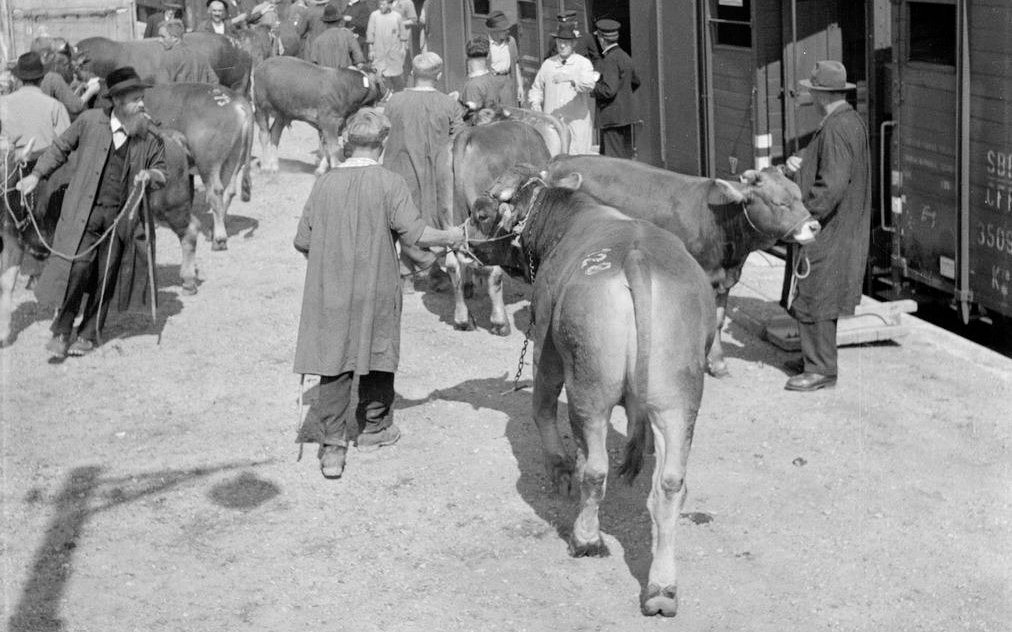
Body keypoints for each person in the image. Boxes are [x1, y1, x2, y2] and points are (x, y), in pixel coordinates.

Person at [293, 108, 465, 479]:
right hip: (377, 287)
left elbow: (303, 240)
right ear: (382, 144)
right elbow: (416, 234)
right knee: (377, 350)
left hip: (332, 288)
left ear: (347, 143)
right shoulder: (390, 183)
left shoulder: (323, 184)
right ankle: (374, 429)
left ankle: (333, 448)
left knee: (334, 362)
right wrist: (451, 236)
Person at [16, 67, 168, 358]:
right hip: (83, 213)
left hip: (121, 220)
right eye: (136, 99)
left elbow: (162, 171)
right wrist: (36, 175)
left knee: (106, 275)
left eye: (142, 98)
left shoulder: (148, 134)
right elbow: (60, 148)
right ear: (118, 101)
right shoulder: (89, 122)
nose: (142, 104)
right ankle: (62, 331)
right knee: (78, 267)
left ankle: (87, 333)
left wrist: (151, 175)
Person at [780, 60, 870, 392]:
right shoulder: (848, 121)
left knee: (817, 292)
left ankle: (821, 369)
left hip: (829, 228)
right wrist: (802, 162)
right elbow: (831, 165)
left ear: (821, 94)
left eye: (813, 91)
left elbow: (831, 185)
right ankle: (813, 358)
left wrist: (805, 215)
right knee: (818, 290)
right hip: (840, 226)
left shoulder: (835, 128)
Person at [382, 52, 464, 282]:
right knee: (432, 218)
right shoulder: (449, 104)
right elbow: (460, 139)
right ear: (438, 76)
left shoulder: (394, 101)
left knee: (402, 218)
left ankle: (407, 271)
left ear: (411, 73)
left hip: (400, 171)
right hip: (437, 174)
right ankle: (431, 268)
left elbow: (383, 134)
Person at [528, 22, 598, 155]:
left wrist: (570, 79)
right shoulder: (548, 64)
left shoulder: (583, 63)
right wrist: (535, 102)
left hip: (576, 122)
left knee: (576, 158)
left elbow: (589, 85)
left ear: (574, 43)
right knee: (553, 156)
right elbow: (536, 88)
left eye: (566, 42)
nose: (562, 45)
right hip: (553, 123)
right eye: (559, 41)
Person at [0, 52, 71, 160]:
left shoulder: (3, 103)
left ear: (19, 78)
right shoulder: (55, 106)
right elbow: (66, 144)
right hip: (45, 165)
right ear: (42, 78)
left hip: (10, 165)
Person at [591, 19, 640, 158]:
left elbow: (608, 90)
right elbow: (636, 81)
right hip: (626, 118)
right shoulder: (624, 56)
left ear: (601, 39)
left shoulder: (610, 60)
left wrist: (592, 87)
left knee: (612, 161)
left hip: (612, 120)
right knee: (624, 159)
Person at [157, 20, 220, 84]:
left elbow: (162, 87)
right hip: (201, 90)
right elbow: (214, 82)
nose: (159, 40)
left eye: (163, 37)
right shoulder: (200, 55)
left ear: (175, 38)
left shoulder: (168, 57)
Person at [367, 0, 409, 92]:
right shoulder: (374, 15)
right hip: (379, 50)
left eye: (383, 4)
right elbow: (370, 33)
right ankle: (383, 94)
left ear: (390, 5)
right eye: (380, 4)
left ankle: (398, 94)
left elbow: (403, 34)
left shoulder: (397, 16)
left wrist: (402, 48)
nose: (381, 6)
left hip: (394, 50)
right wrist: (371, 50)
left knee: (397, 76)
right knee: (379, 75)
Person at [485, 11, 523, 107]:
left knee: (509, 110)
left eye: (507, 29)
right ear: (494, 31)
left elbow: (516, 64)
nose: (507, 31)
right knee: (492, 110)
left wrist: (520, 86)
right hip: (492, 81)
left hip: (507, 81)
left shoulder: (511, 42)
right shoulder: (485, 44)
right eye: (504, 30)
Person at [460, 35, 501, 113]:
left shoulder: (472, 86)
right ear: (488, 55)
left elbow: (472, 116)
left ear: (466, 56)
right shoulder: (492, 78)